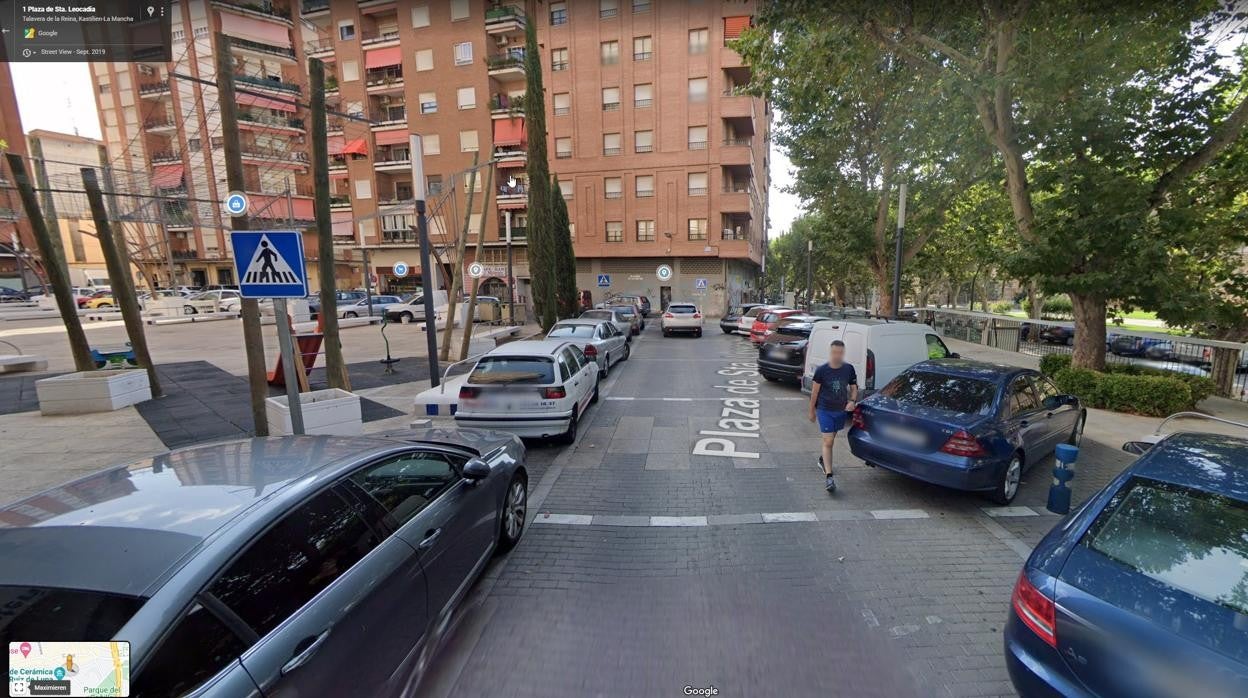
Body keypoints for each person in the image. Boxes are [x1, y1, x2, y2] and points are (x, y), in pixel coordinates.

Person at [808, 340, 858, 493]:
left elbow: (854, 387)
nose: (837, 355)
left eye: (840, 353)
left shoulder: (848, 369)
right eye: (834, 352)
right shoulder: (822, 371)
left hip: (840, 411)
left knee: (831, 440)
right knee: (828, 441)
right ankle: (829, 477)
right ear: (830, 353)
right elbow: (815, 392)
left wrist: (852, 401)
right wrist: (811, 411)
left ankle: (823, 459)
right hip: (824, 410)